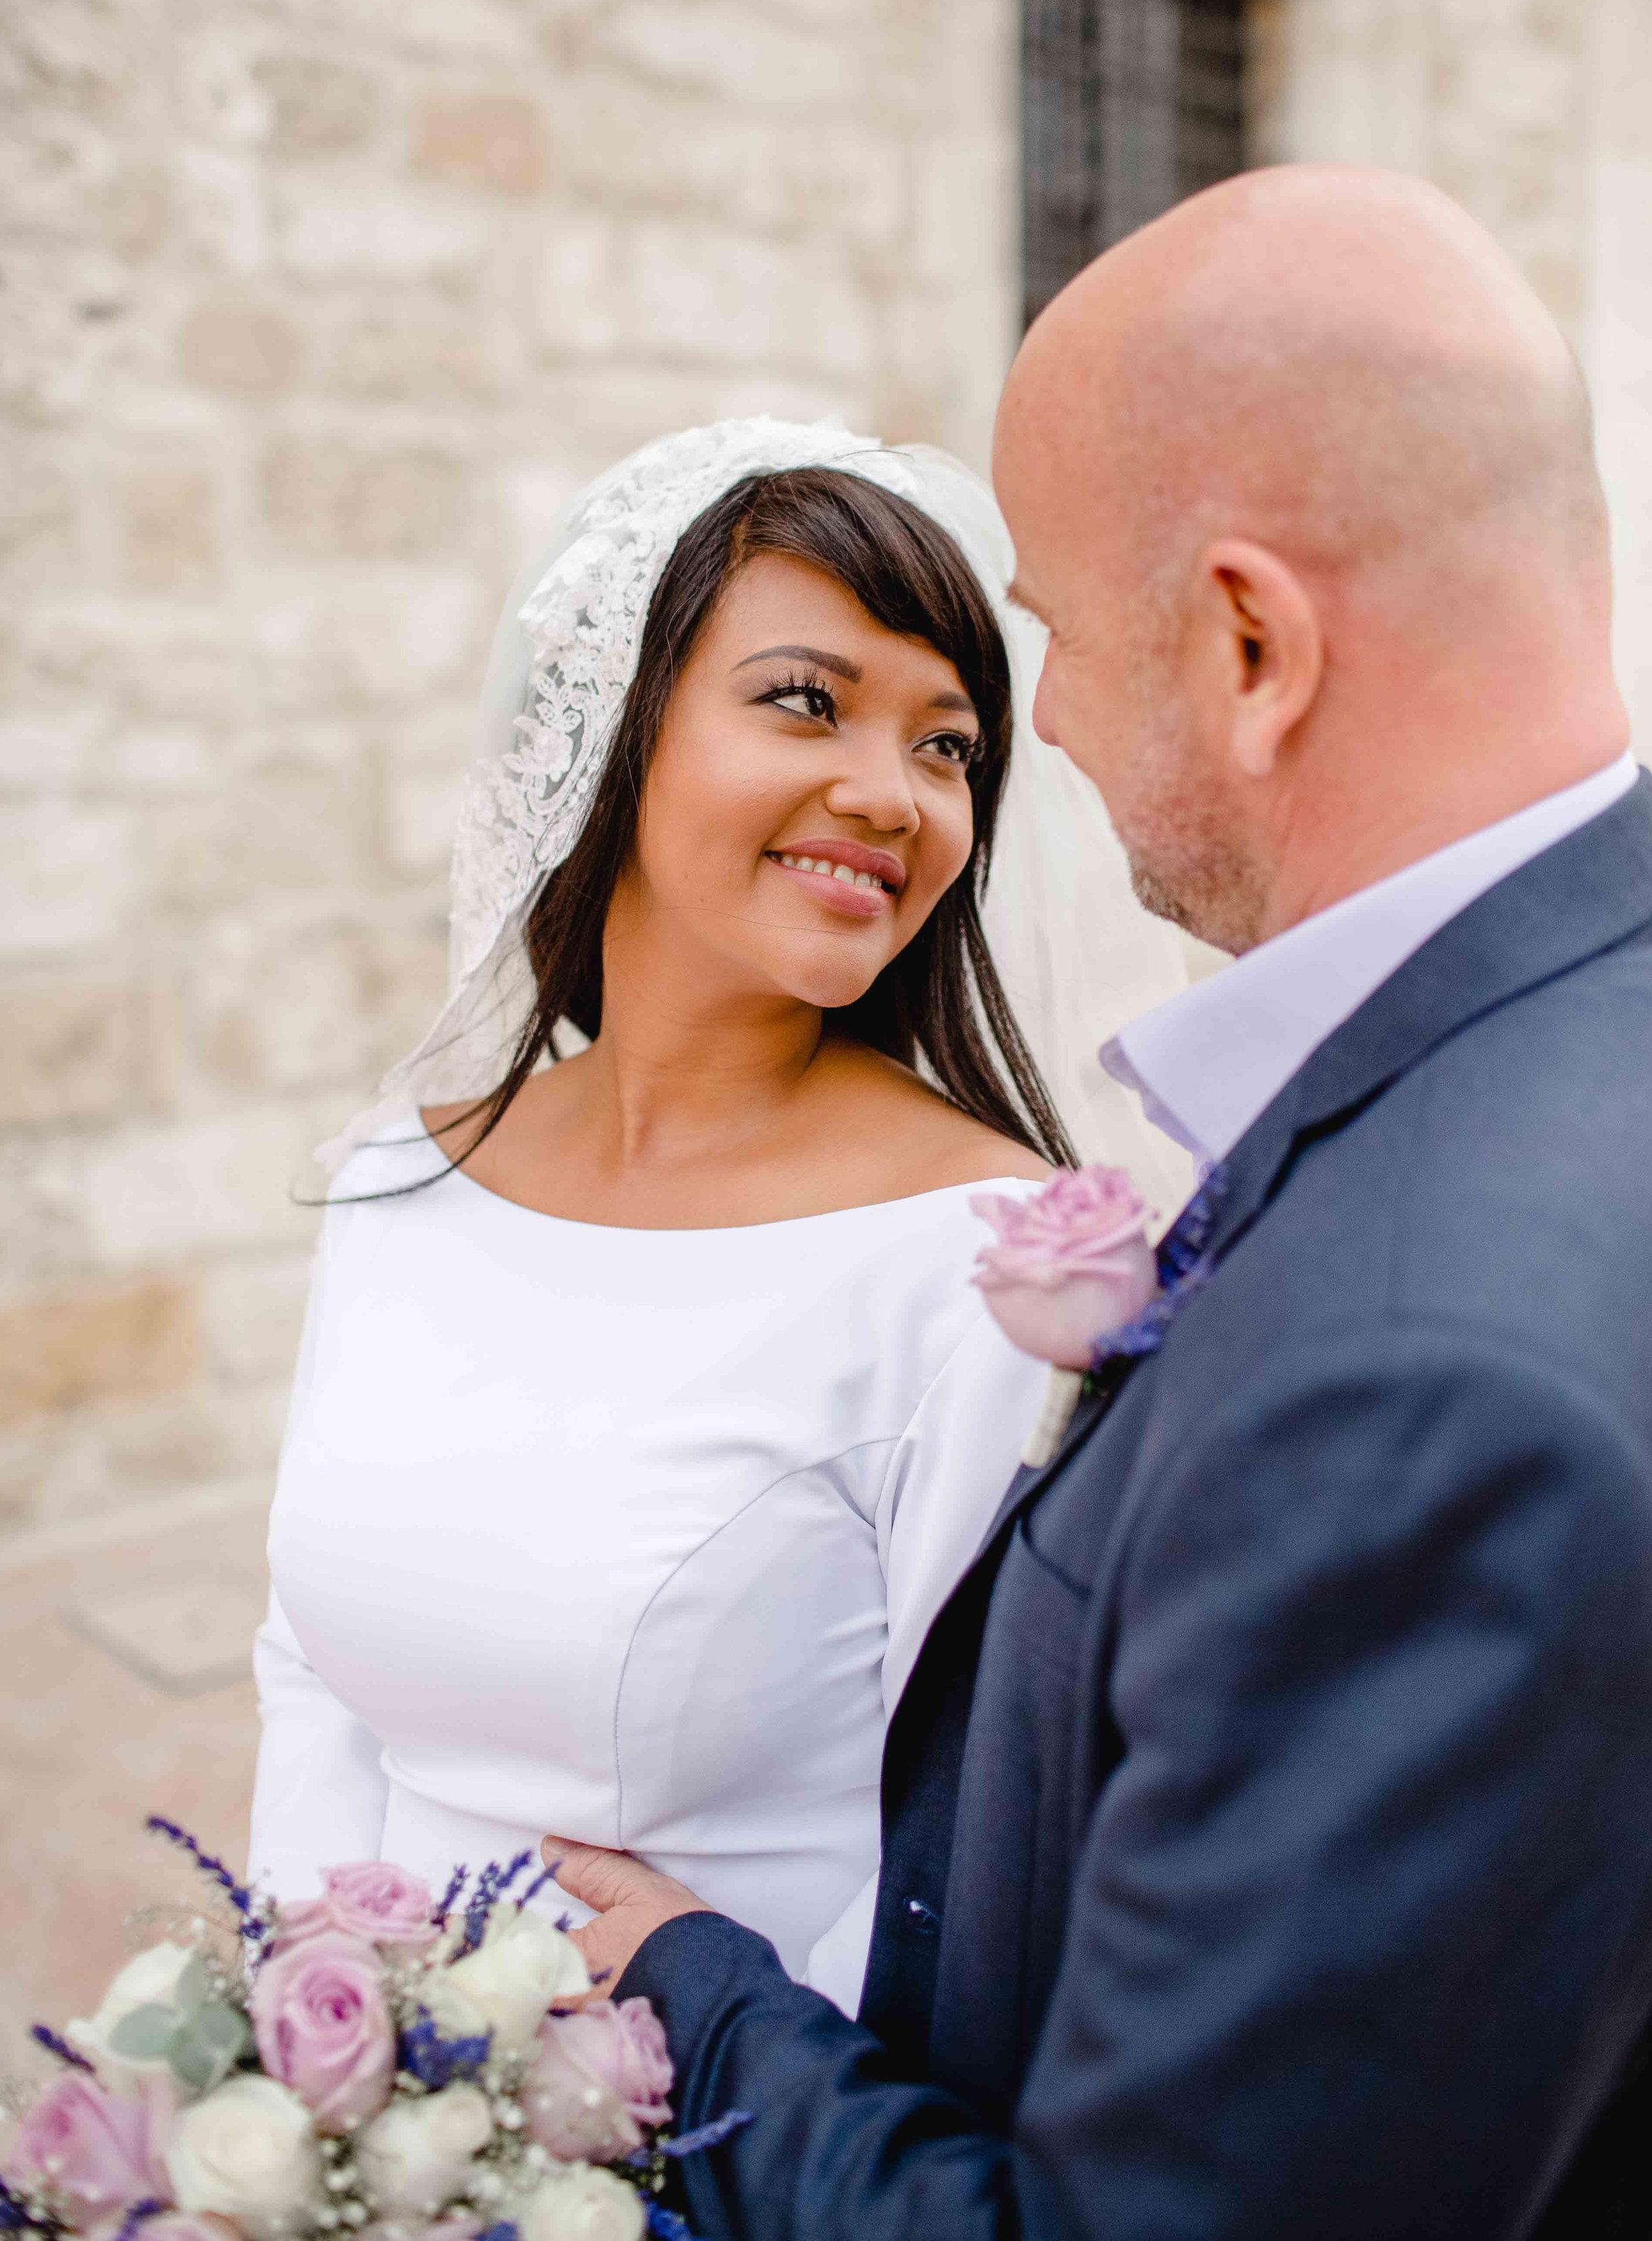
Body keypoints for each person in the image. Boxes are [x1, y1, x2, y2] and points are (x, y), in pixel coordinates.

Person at [552, 168, 1652, 2240]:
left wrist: (699, 2006)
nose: (1033, 728)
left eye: (1043, 637)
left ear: (1247, 643)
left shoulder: (1426, 1381)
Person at [247, 419, 1171, 2017]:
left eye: (946, 747)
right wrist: (301, 2039)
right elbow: (307, 1673)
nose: (889, 795)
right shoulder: (406, 1174)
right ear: (612, 726)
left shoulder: (982, 1268)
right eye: (803, 701)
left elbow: (968, 1845)